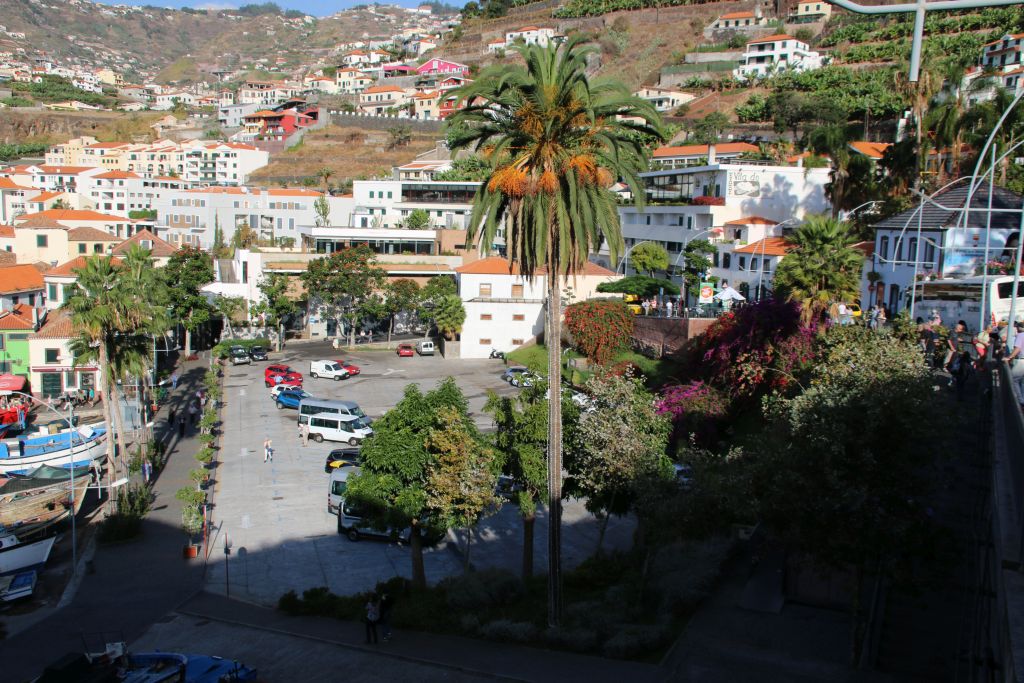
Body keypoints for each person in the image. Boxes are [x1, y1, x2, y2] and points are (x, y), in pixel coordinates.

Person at [1005, 321, 1024, 404]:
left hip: (1022, 360)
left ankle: (1020, 401)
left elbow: (1017, 348)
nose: (1016, 329)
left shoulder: (1021, 335)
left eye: (1017, 327)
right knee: (1022, 381)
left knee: (1013, 378)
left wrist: (1009, 357)